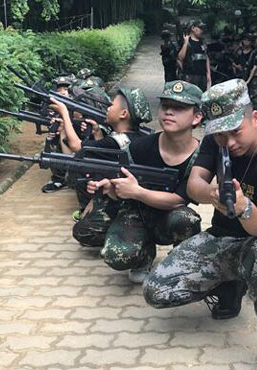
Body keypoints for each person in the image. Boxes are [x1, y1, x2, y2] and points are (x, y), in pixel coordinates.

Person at [143, 79, 257, 370]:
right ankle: (230, 285)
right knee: (156, 291)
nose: (229, 141)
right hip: (220, 239)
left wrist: (243, 207)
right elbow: (193, 185)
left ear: (255, 118)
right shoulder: (217, 142)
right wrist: (213, 194)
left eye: (236, 131)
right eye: (220, 133)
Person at [79, 81, 203, 283]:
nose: (169, 112)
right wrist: (109, 187)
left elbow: (178, 200)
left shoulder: (201, 156)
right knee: (115, 255)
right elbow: (118, 190)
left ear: (197, 117)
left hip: (169, 215)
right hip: (136, 213)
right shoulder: (139, 147)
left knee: (187, 219)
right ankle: (143, 256)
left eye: (179, 108)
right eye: (165, 106)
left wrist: (137, 191)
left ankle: (180, 259)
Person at [51, 87, 152, 219]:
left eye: (112, 105)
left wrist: (64, 112)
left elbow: (76, 146)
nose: (108, 108)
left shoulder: (115, 141)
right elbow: (103, 154)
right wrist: (98, 132)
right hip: (130, 195)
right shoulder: (134, 136)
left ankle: (93, 214)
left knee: (79, 169)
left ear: (123, 114)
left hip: (125, 201)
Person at [41, 75, 74, 193]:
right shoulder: (53, 108)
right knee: (52, 143)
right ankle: (59, 178)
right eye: (59, 90)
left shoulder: (78, 106)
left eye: (66, 89)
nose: (63, 92)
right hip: (62, 140)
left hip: (76, 141)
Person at [178, 19, 211, 91]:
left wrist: (208, 73)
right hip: (190, 75)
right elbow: (180, 58)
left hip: (202, 76)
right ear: (193, 28)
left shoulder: (203, 42)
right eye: (200, 28)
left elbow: (206, 57)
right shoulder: (186, 41)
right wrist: (185, 43)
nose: (202, 30)